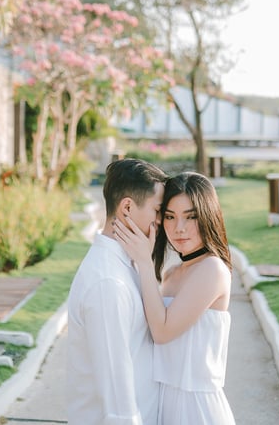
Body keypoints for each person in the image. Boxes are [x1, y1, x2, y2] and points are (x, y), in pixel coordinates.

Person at [114, 171, 236, 424]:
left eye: (191, 217)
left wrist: (145, 263)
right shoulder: (171, 273)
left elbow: (162, 332)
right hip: (164, 402)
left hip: (197, 408)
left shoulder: (212, 269)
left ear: (208, 216)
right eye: (170, 216)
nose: (179, 228)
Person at [67, 157, 168, 425]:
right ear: (126, 208)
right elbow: (116, 396)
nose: (160, 222)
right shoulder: (107, 283)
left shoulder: (127, 265)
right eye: (157, 211)